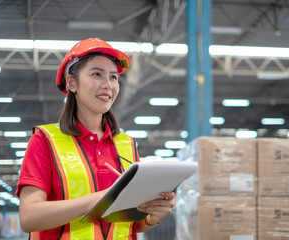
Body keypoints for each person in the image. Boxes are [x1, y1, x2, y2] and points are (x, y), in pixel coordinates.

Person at [16, 38, 176, 240]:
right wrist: (100, 198)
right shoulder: (46, 140)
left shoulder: (126, 144)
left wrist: (152, 216)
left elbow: (132, 224)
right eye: (96, 74)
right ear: (71, 83)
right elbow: (29, 217)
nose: (108, 85)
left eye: (113, 77)